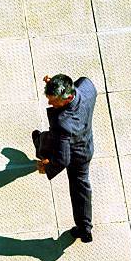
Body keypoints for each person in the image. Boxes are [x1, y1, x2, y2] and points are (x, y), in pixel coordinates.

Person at [32, 73, 97, 243]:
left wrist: (47, 168)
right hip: (85, 147)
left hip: (72, 152)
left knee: (46, 142)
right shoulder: (87, 87)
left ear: (68, 98)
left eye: (54, 101)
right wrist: (53, 83)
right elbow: (76, 84)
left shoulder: (62, 122)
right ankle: (84, 228)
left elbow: (63, 160)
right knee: (81, 189)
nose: (49, 103)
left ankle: (39, 146)